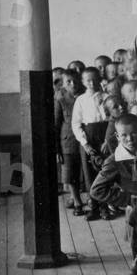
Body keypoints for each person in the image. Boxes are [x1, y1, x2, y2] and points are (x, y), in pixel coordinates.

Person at [90, 114, 137, 275]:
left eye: (133, 133)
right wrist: (128, 199)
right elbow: (96, 190)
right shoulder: (114, 161)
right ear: (117, 137)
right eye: (124, 135)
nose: (130, 139)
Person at [72, 67, 110, 220]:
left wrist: (108, 140)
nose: (92, 83)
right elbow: (76, 123)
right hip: (89, 136)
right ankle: (94, 207)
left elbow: (112, 119)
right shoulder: (80, 100)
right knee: (89, 172)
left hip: (105, 134)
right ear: (83, 82)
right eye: (88, 80)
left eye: (95, 79)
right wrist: (85, 143)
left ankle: (105, 207)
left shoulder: (107, 97)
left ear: (100, 79)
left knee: (105, 170)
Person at [56, 69, 86, 215]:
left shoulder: (86, 95)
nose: (73, 84)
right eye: (69, 82)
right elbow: (56, 124)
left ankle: (92, 200)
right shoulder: (60, 99)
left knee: (86, 170)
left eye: (75, 80)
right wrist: (57, 149)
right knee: (70, 172)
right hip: (68, 140)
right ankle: (77, 200)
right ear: (63, 84)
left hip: (85, 138)